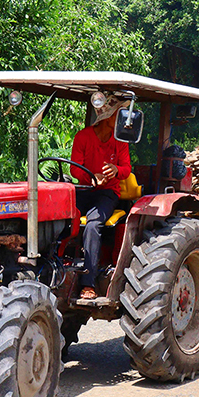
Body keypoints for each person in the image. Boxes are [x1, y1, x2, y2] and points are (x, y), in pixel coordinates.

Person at [71, 94, 132, 298]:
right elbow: (74, 170)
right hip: (86, 190)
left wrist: (115, 170)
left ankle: (88, 283)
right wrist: (90, 177)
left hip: (108, 193)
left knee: (92, 224)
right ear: (108, 117)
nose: (124, 118)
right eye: (119, 114)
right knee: (60, 216)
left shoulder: (120, 141)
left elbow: (126, 168)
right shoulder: (83, 137)